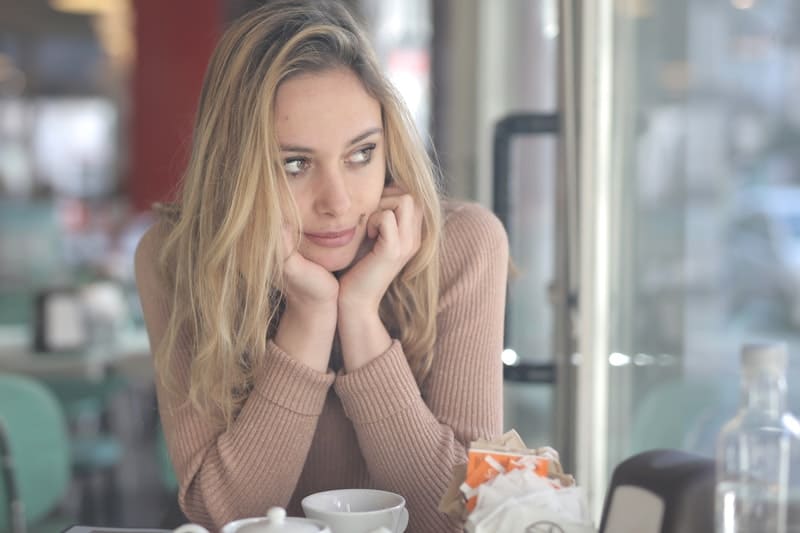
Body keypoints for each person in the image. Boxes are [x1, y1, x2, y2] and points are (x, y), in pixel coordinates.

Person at [134, 1, 508, 531]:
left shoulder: (463, 246)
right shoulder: (177, 258)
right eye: (294, 164)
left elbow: (461, 518)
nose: (337, 202)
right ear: (237, 171)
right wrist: (310, 316)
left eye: (361, 154)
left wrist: (359, 314)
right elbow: (223, 517)